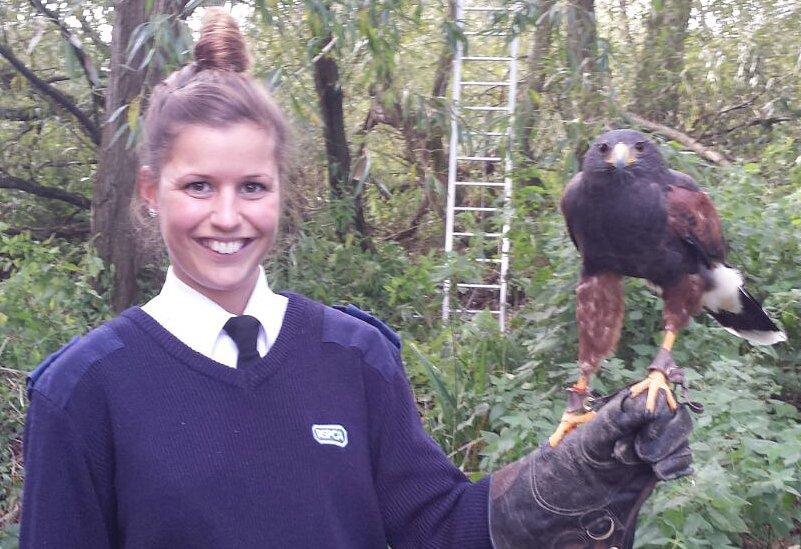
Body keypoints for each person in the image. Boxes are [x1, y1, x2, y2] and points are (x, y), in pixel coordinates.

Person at [19, 9, 693, 548]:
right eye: (198, 185)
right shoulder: (84, 391)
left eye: (252, 185)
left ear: (282, 189)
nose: (227, 215)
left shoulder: (354, 355)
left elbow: (438, 526)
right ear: (149, 191)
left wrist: (565, 484)